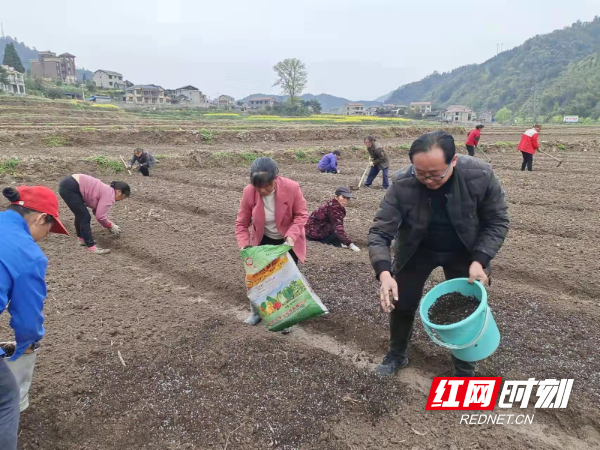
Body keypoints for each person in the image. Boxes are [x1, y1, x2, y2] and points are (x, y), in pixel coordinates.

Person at [367, 130, 509, 377]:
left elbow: (497, 221)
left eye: (435, 175)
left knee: (465, 307)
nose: (427, 180)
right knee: (402, 303)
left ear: (453, 161)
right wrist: (384, 272)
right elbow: (380, 232)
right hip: (417, 249)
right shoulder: (401, 183)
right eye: (420, 174)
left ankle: (464, 367)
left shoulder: (480, 175)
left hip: (463, 250)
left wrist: (480, 260)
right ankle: (397, 354)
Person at [0, 185, 69, 450]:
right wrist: (27, 343)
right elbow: (27, 318)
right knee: (6, 399)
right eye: (49, 229)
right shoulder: (28, 254)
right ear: (41, 217)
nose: (46, 236)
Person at [235, 157, 308, 325]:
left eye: (268, 185)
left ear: (276, 178)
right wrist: (244, 245)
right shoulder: (249, 192)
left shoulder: (292, 188)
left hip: (287, 240)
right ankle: (257, 313)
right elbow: (241, 223)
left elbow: (301, 215)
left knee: (286, 280)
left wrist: (291, 236)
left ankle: (287, 317)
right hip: (263, 240)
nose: (263, 191)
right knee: (258, 279)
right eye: (259, 187)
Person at [58, 175, 130, 255]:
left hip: (68, 183)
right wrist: (110, 226)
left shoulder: (107, 190)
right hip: (71, 186)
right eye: (123, 197)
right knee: (85, 216)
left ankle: (82, 239)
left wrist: (108, 224)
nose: (121, 200)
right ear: (119, 192)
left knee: (81, 214)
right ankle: (91, 247)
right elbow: (100, 216)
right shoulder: (110, 195)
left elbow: (97, 211)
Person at [306, 187, 360, 252]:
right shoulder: (335, 209)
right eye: (343, 197)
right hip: (314, 233)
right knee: (336, 234)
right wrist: (350, 244)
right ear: (336, 197)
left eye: (347, 198)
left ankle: (338, 243)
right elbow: (338, 228)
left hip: (311, 230)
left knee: (335, 233)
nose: (345, 200)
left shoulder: (333, 204)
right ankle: (336, 244)